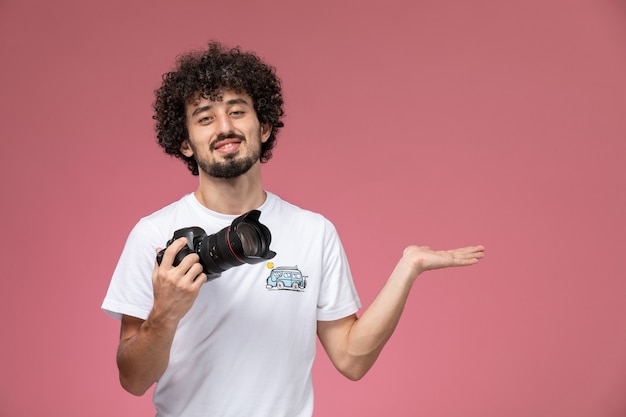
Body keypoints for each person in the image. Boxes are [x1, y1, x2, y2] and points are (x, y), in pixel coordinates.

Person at [102, 41, 485, 417]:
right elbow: (134, 380)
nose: (224, 127)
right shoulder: (154, 235)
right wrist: (165, 313)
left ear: (264, 126)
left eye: (237, 112)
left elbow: (352, 360)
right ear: (185, 143)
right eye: (205, 118)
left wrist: (408, 268)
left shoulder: (313, 232)